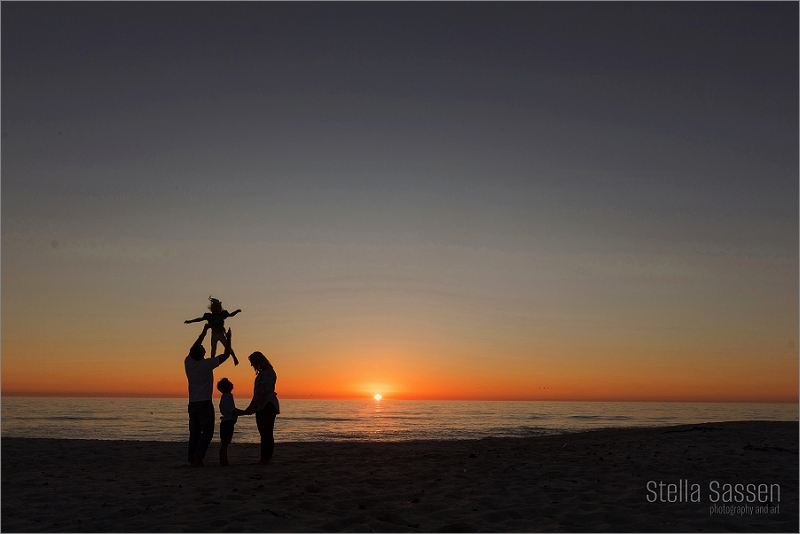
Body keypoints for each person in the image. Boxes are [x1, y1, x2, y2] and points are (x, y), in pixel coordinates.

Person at [185, 324, 233, 467]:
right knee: (207, 432)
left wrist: (204, 332)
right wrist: (228, 339)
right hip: (204, 402)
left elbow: (194, 347)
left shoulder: (188, 362)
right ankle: (198, 458)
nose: (205, 349)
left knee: (194, 433)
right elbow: (226, 354)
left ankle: (193, 458)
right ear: (201, 354)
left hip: (192, 403)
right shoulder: (207, 364)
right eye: (204, 350)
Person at [234, 351, 279, 464]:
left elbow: (263, 392)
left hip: (267, 405)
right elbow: (257, 394)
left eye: (252, 362)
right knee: (264, 433)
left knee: (266, 433)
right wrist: (251, 407)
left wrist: (255, 406)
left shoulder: (267, 373)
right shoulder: (263, 373)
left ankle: (265, 459)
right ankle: (264, 458)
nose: (251, 365)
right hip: (263, 405)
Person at [185, 296, 241, 365]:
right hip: (214, 334)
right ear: (211, 310)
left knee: (227, 346)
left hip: (221, 334)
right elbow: (200, 319)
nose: (216, 312)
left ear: (220, 310)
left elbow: (230, 315)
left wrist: (237, 311)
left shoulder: (222, 315)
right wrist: (191, 321)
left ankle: (234, 357)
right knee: (213, 349)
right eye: (214, 311)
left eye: (217, 310)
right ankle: (212, 361)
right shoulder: (210, 316)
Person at [216, 377, 238, 467]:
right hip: (227, 422)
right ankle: (223, 462)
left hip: (227, 422)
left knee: (225, 443)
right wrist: (245, 412)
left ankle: (225, 461)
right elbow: (232, 410)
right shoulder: (227, 397)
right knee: (225, 443)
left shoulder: (225, 397)